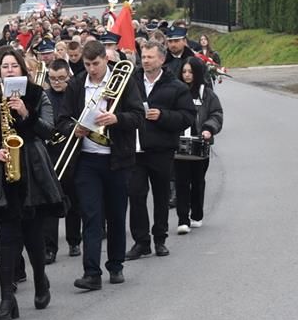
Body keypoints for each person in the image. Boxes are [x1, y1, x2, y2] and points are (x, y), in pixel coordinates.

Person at [0, 46, 64, 320]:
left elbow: (49, 130)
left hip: (33, 173)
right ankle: (6, 298)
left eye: (14, 66)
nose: (9, 70)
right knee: (4, 238)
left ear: (23, 70)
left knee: (33, 236)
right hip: (3, 174)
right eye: (5, 67)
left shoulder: (38, 95)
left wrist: (26, 112)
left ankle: (40, 279)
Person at [55, 40, 145, 290]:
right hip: (87, 160)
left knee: (116, 215)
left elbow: (138, 116)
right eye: (87, 64)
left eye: (96, 63)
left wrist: (117, 118)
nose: (92, 69)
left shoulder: (123, 81)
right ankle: (91, 273)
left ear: (106, 60)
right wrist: (75, 129)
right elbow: (61, 120)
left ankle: (115, 266)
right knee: (91, 216)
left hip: (117, 159)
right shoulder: (75, 85)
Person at [126, 40, 196, 260]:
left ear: (161, 59)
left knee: (161, 195)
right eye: (143, 57)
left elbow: (188, 116)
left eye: (150, 57)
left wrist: (163, 115)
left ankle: (160, 238)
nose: (145, 61)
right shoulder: (132, 81)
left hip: (161, 150)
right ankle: (141, 241)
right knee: (136, 196)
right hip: (135, 149)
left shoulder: (176, 86)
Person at [175, 57, 223, 233]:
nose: (187, 75)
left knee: (197, 180)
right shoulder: (176, 91)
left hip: (200, 145)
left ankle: (196, 214)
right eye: (184, 72)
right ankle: (182, 219)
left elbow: (216, 113)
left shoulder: (207, 94)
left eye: (191, 72)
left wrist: (209, 129)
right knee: (181, 181)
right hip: (179, 146)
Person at [42, 59, 81, 260]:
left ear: (69, 77)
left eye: (61, 79)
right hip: (50, 153)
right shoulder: (44, 96)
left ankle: (74, 241)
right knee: (51, 201)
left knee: (73, 199)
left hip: (72, 152)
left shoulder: (74, 95)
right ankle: (50, 247)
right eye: (53, 79)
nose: (57, 82)